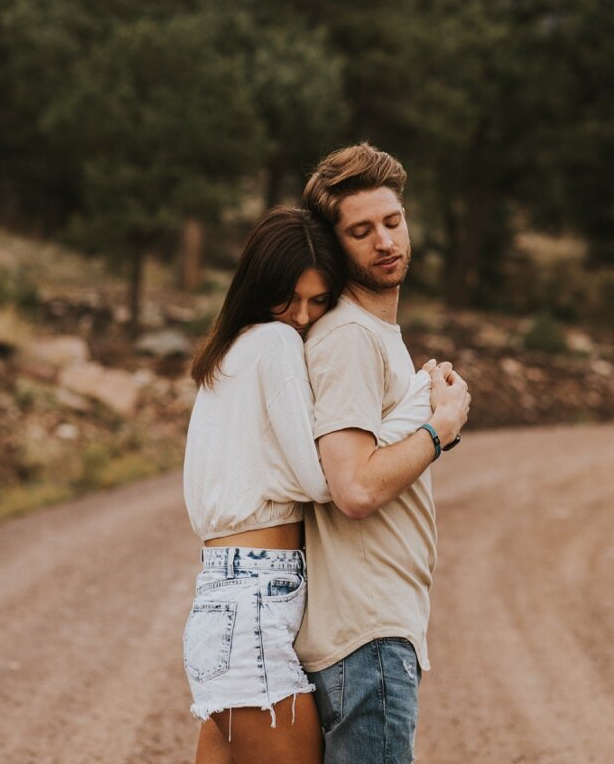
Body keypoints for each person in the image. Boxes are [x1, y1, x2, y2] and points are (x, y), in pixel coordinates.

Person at [180, 206, 467, 764]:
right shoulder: (276, 345)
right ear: (259, 287)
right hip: (257, 606)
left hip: (223, 600)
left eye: (318, 301)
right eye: (289, 299)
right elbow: (327, 479)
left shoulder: (225, 356)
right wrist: (424, 413)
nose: (304, 317)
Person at [297, 143, 472, 763]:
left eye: (392, 222)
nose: (384, 241)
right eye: (361, 231)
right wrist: (439, 431)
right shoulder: (347, 337)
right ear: (334, 244)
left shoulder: (374, 335)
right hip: (365, 636)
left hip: (373, 633)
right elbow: (355, 488)